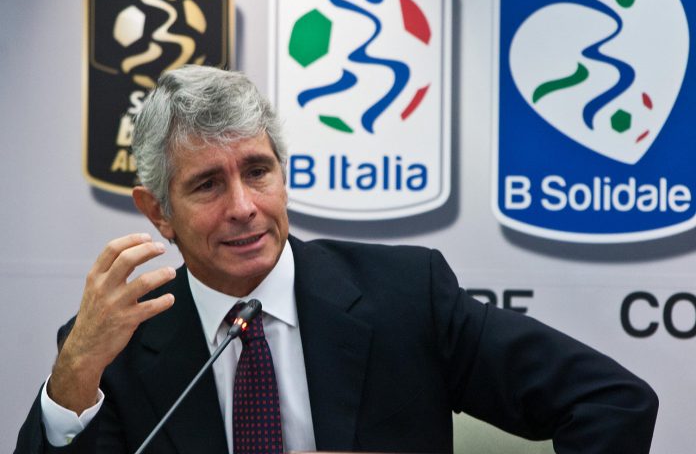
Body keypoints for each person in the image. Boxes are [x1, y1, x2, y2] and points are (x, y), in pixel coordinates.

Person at [15, 65, 658, 454]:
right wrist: (73, 374)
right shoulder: (116, 344)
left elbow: (612, 402)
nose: (244, 207)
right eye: (207, 185)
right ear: (158, 212)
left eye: (258, 171)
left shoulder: (407, 295)